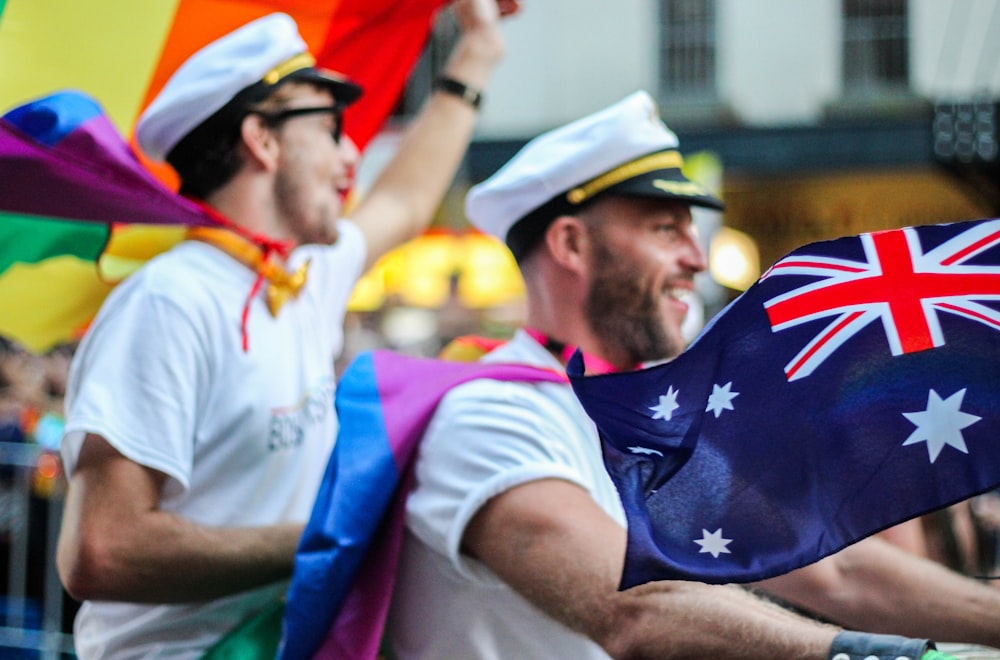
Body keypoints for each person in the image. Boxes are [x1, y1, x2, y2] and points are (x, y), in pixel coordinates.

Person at [387, 90, 1000, 659]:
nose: (696, 259)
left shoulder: (655, 424)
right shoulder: (489, 416)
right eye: (665, 229)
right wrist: (877, 655)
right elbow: (633, 608)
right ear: (571, 245)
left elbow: (839, 572)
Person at [54, 2, 518, 657]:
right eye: (331, 128)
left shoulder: (302, 274)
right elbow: (101, 550)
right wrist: (329, 536)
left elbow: (406, 201)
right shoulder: (169, 300)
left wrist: (478, 50)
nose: (351, 152)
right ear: (262, 140)